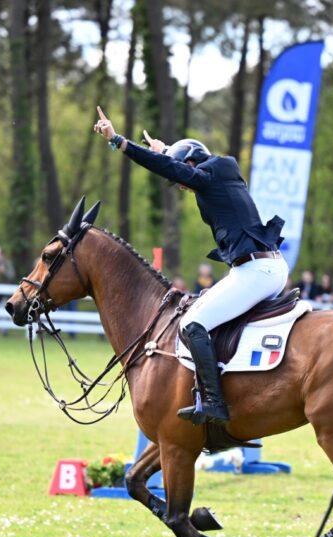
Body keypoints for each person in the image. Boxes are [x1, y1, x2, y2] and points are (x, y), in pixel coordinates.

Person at [94, 105, 286, 425]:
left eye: (183, 173)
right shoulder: (214, 175)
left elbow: (175, 171)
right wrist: (167, 151)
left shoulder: (215, 171)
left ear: (192, 163)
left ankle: (213, 401)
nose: (182, 186)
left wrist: (119, 141)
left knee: (191, 324)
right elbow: (177, 168)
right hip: (257, 268)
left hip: (257, 271)